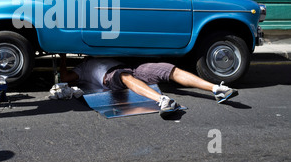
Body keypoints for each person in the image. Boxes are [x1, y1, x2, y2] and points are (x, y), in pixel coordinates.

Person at [59, 55, 238, 118]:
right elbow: (66, 77)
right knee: (125, 77)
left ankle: (217, 89)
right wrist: (62, 57)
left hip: (134, 67)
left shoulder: (100, 49)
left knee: (170, 70)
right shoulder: (81, 68)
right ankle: (163, 100)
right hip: (112, 76)